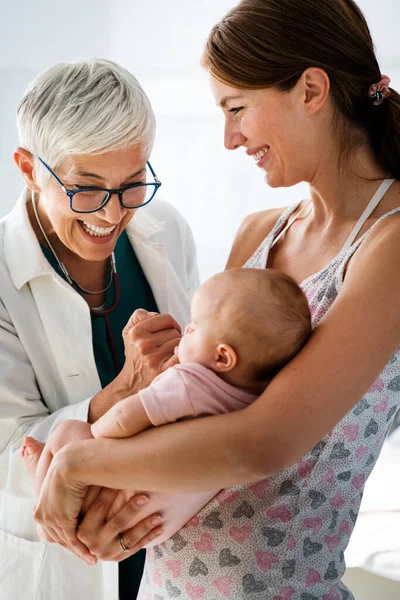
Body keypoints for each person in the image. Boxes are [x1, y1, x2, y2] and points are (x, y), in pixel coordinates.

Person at [33, 1, 400, 598]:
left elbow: (260, 444)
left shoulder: (390, 245)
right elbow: (202, 409)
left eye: (237, 109)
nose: (230, 139)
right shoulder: (260, 233)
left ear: (311, 90)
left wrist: (79, 465)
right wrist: (113, 505)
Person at [0, 59, 199, 600]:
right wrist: (124, 391)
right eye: (86, 190)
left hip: (166, 536)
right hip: (62, 561)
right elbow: (8, 449)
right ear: (27, 167)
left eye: (133, 184)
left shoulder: (168, 230)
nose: (112, 214)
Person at [22, 267, 311, 545]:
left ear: (222, 357)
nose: (186, 329)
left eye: (193, 328)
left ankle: (41, 480)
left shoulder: (188, 380)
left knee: (69, 430)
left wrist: (93, 438)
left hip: (115, 493)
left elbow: (124, 418)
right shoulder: (252, 400)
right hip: (162, 521)